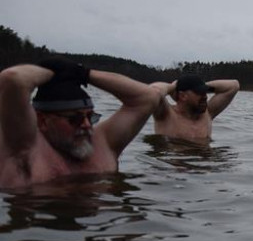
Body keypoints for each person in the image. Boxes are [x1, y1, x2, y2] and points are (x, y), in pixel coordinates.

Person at [0, 58, 161, 189]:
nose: (86, 125)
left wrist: (83, 73)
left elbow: (148, 97)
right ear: (42, 121)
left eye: (90, 117)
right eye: (74, 119)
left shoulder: (103, 143)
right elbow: (13, 79)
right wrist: (49, 72)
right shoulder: (23, 148)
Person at [150, 74, 239, 142]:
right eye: (199, 92)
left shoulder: (207, 114)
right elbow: (154, 92)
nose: (205, 97)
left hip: (204, 162)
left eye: (205, 92)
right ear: (183, 96)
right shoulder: (166, 115)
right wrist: (173, 87)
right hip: (173, 164)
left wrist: (203, 85)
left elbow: (234, 85)